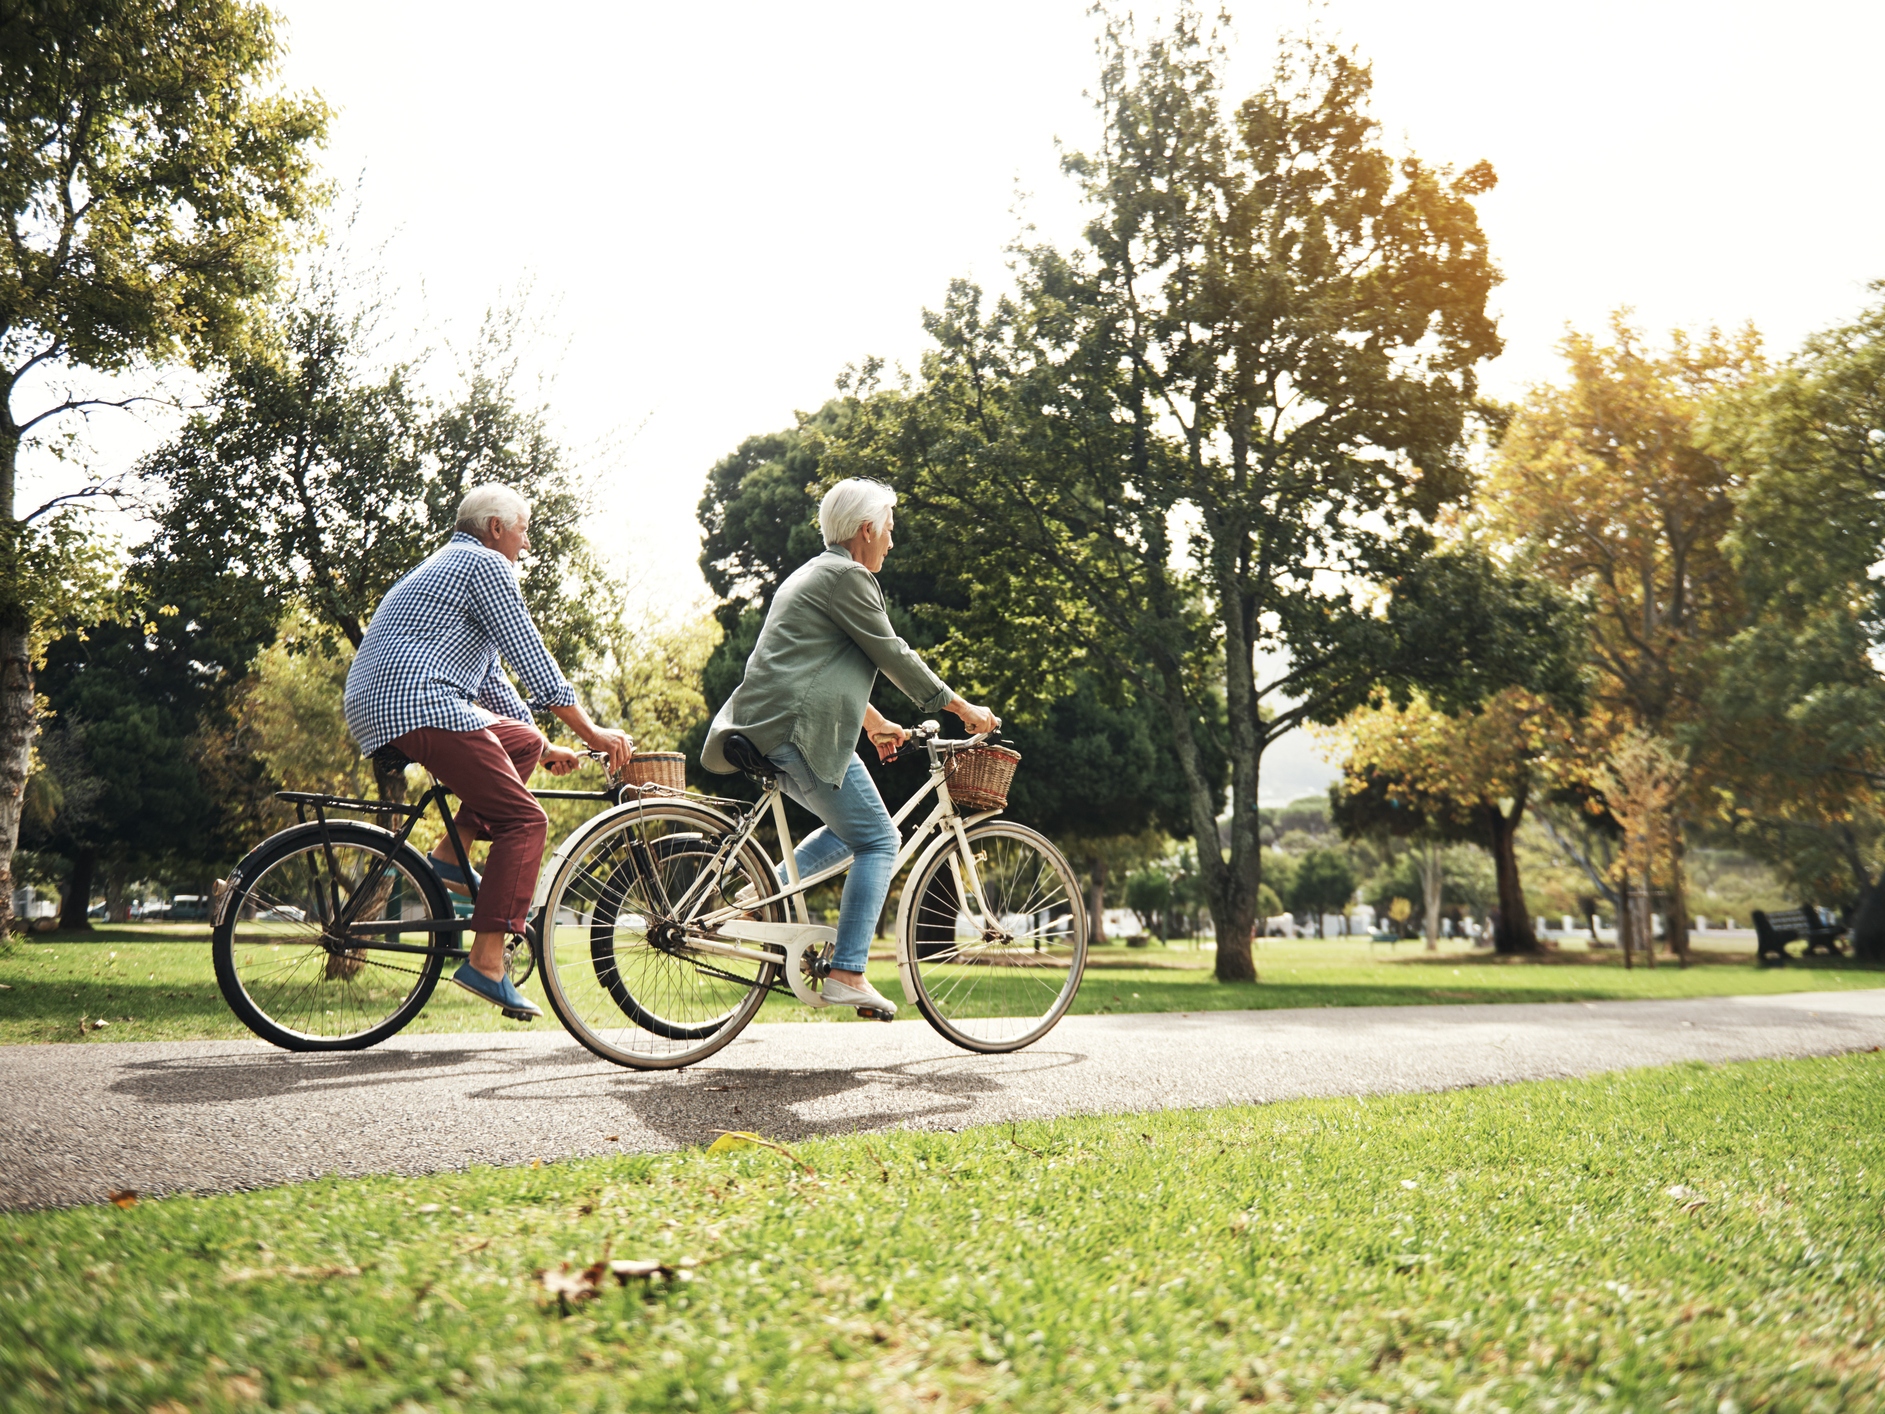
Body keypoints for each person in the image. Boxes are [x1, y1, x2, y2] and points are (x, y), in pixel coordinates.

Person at [701, 477, 999, 1016]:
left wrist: (876, 721)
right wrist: (961, 708)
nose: (891, 541)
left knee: (848, 833)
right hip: (797, 730)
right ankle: (848, 972)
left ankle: (752, 904)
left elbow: (816, 664)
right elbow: (892, 652)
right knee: (881, 840)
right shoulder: (848, 576)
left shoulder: (812, 575)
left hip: (775, 725)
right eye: (888, 529)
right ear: (866, 529)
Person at [344, 484, 633, 1018]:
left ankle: (451, 861)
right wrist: (594, 733)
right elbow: (533, 657)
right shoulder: (486, 566)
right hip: (418, 702)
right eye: (523, 530)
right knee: (526, 823)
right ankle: (486, 961)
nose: (527, 544)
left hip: (386, 702)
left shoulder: (447, 567)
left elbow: (492, 677)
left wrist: (543, 744)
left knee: (520, 742)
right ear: (496, 528)